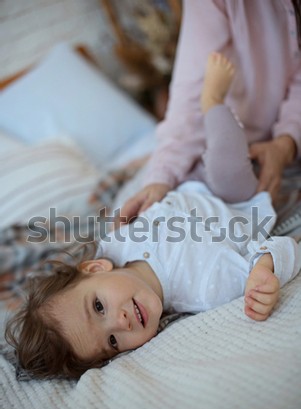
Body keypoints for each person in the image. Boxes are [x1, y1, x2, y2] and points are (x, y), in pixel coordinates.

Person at [5, 53, 301, 380]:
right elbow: (281, 247)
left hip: (184, 184)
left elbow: (119, 221)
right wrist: (264, 271)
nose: (120, 322)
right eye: (113, 342)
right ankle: (213, 101)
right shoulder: (206, 288)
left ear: (94, 268)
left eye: (99, 307)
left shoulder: (113, 248)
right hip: (238, 199)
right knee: (225, 167)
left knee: (161, 163)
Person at [117, 0, 301, 225]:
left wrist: (287, 141)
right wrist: (160, 176)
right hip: (226, 151)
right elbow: (190, 93)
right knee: (143, 189)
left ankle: (212, 104)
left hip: (240, 166)